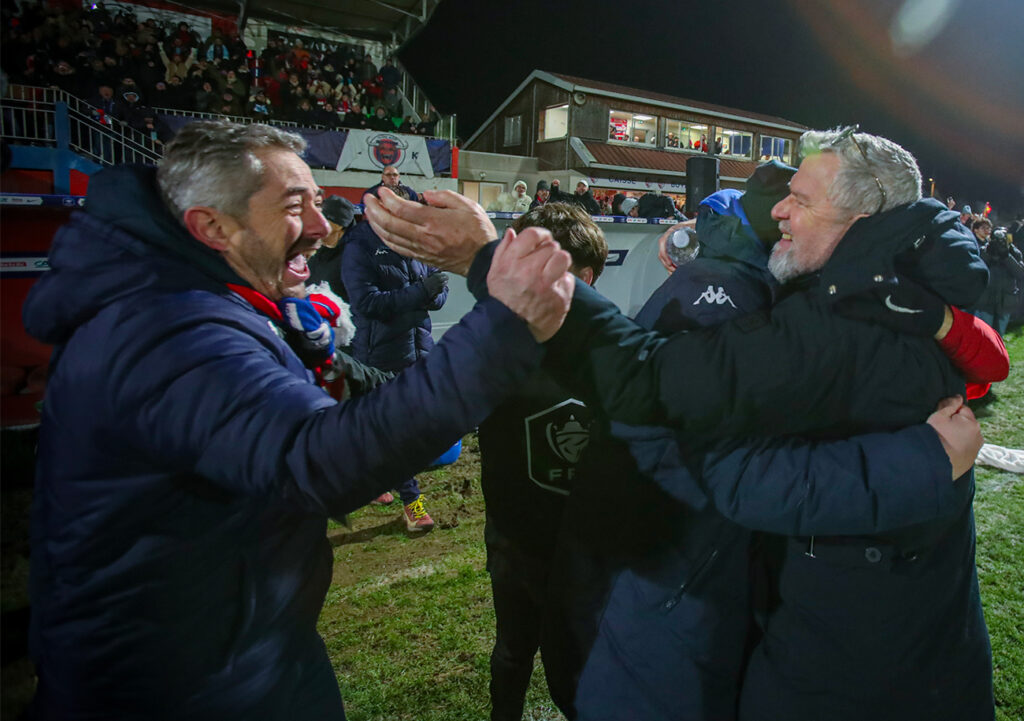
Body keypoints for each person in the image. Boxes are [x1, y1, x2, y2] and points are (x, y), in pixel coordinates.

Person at [362, 126, 999, 721]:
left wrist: (493, 260)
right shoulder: (894, 293)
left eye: (799, 199)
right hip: (881, 642)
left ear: (862, 217)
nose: (778, 210)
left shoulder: (840, 321)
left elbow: (673, 405)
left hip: (862, 664)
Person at [22, 120, 574, 720]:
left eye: (317, 201)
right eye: (295, 206)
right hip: (171, 684)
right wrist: (501, 328)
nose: (319, 226)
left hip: (244, 645)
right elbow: (316, 460)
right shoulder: (166, 330)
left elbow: (356, 397)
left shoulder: (218, 301)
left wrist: (348, 368)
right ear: (212, 227)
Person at [478, 203, 608, 721]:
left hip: (586, 550)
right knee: (513, 651)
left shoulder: (613, 349)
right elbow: (418, 410)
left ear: (587, 276)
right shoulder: (494, 351)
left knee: (576, 664)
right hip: (516, 545)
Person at [342, 182, 449, 531]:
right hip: (380, 355)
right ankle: (413, 505)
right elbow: (368, 304)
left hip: (418, 347)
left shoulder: (416, 243)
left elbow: (438, 286)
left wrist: (432, 294)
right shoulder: (360, 247)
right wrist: (421, 292)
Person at [970, 220, 1024, 335]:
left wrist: (1006, 256)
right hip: (986, 301)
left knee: (999, 338)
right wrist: (989, 252)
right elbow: (976, 269)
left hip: (1005, 302)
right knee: (984, 335)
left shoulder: (1014, 253)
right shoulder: (984, 250)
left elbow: (1020, 273)